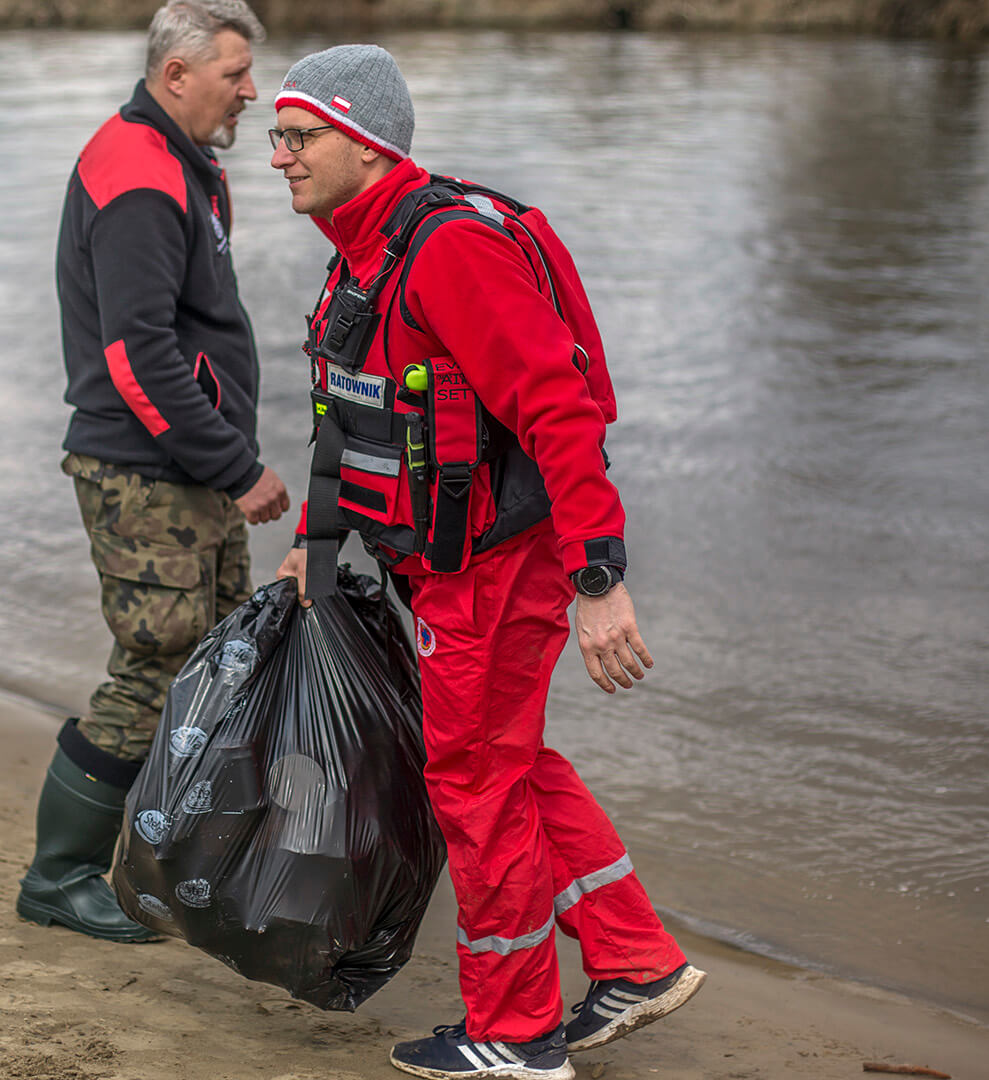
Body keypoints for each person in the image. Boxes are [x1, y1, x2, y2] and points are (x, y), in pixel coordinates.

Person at [268, 45, 706, 1080]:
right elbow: (348, 411)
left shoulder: (451, 250)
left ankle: (514, 1033)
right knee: (503, 760)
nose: (278, 154)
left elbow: (560, 409)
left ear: (367, 145)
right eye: (277, 135)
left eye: (300, 136)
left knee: (472, 779)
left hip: (502, 568)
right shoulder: (359, 250)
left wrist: (597, 578)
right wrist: (315, 542)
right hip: (437, 565)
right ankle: (636, 959)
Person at [18, 0, 289, 945]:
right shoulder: (137, 169)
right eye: (235, 72)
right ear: (177, 74)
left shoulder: (181, 161)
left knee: (216, 662)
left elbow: (187, 330)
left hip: (182, 470)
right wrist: (237, 465)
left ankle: (177, 869)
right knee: (158, 668)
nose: (251, 90)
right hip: (147, 474)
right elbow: (136, 354)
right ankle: (59, 877)